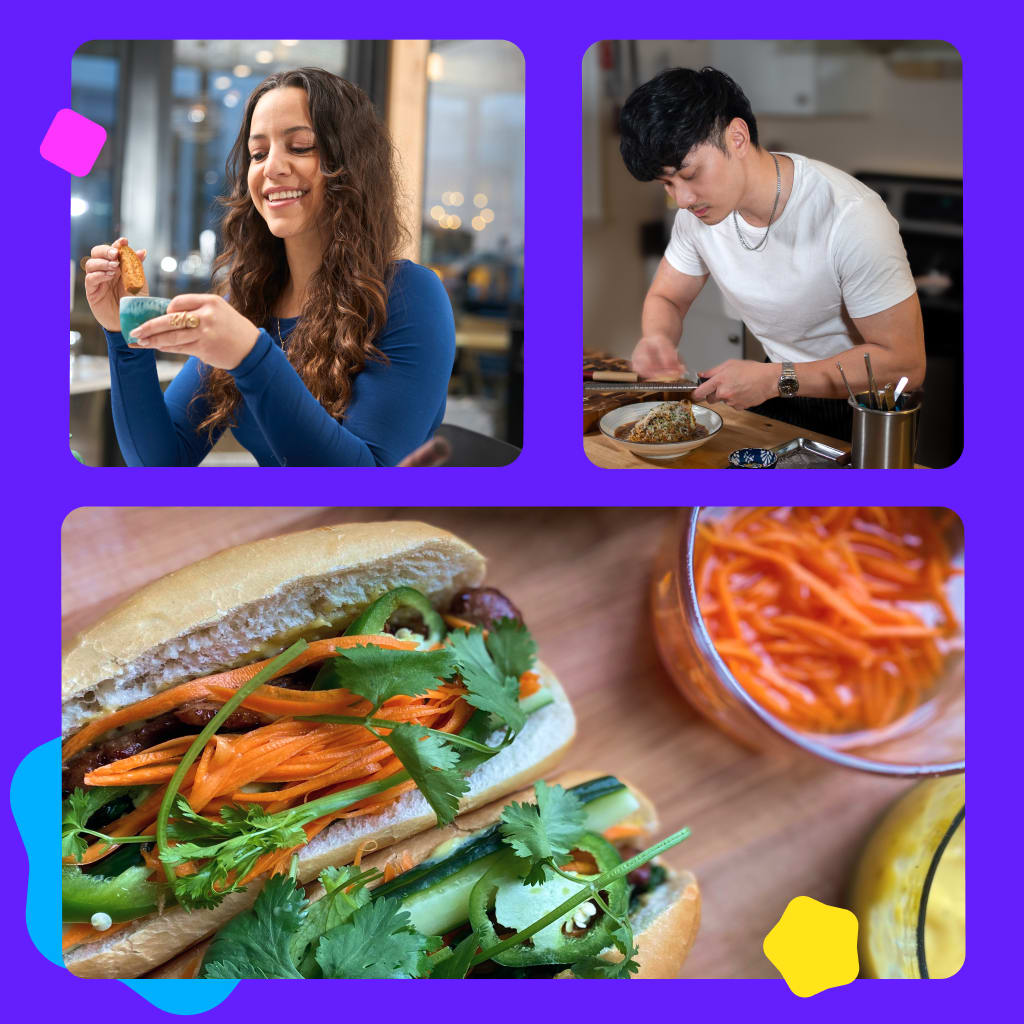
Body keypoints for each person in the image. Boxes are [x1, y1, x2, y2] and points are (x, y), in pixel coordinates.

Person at [83, 68, 455, 466]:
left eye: (301, 147)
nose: (271, 167)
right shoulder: (249, 300)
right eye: (258, 154)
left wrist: (251, 357)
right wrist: (123, 334)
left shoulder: (409, 295)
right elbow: (161, 463)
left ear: (352, 165)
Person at [618, 67, 925, 440]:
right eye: (667, 183)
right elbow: (668, 297)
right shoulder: (696, 216)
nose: (681, 198)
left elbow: (906, 364)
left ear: (737, 137)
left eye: (690, 174)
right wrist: (658, 339)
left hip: (867, 407)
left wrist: (776, 379)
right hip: (780, 386)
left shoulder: (851, 216)